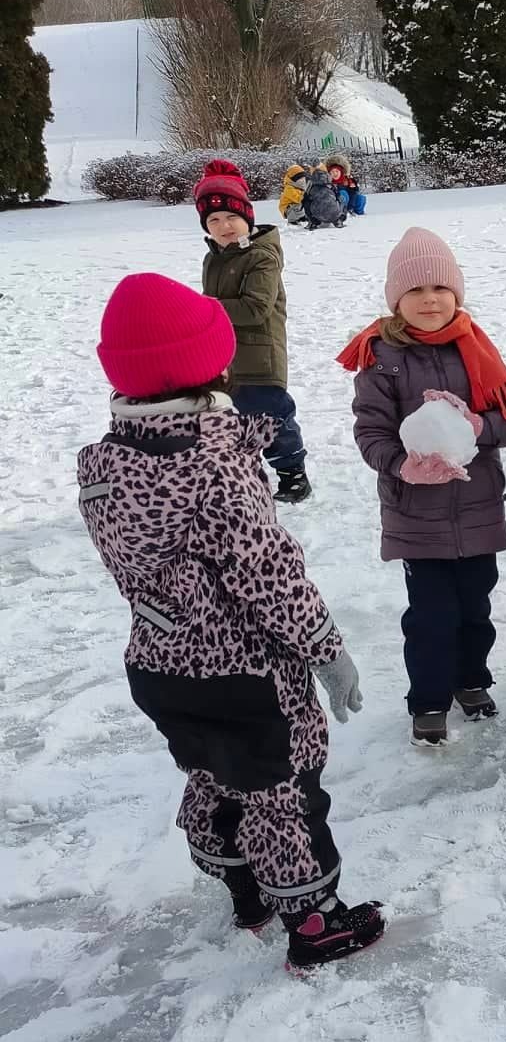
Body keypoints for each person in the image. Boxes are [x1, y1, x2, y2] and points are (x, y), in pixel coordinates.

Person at [77, 273, 384, 970]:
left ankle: (245, 892)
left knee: (214, 773)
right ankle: (313, 923)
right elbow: (268, 575)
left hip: (159, 666)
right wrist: (326, 650)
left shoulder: (102, 465)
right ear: (206, 367)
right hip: (245, 675)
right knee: (283, 793)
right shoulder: (215, 465)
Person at [342, 228, 506, 747]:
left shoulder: (477, 350)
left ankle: (471, 679)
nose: (429, 300)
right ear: (396, 300)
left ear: (457, 294)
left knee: (476, 608)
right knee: (431, 616)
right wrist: (402, 467)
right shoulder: (381, 358)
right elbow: (371, 432)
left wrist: (481, 427)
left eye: (440, 289)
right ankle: (428, 700)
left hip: (478, 510)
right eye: (415, 292)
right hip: (417, 516)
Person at [194, 158, 312, 505]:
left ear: (247, 216)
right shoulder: (214, 257)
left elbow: (255, 308)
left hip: (260, 356)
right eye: (214, 220)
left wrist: (205, 308)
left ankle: (293, 473)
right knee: (232, 423)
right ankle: (243, 478)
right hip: (225, 358)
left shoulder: (262, 256)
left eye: (231, 217)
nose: (224, 225)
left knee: (272, 419)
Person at [303, 164, 346, 230]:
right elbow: (339, 198)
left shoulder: (311, 187)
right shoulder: (331, 185)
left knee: (306, 202)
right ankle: (338, 220)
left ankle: (313, 222)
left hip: (318, 216)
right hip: (334, 214)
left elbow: (305, 200)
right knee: (341, 198)